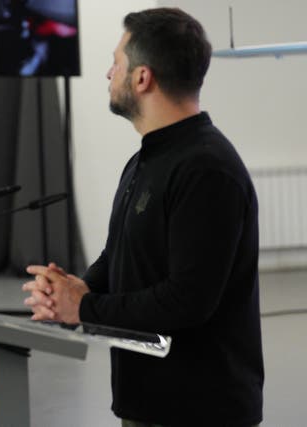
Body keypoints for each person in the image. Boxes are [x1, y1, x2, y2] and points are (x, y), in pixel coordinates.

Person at [22, 8, 263, 427]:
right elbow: (123, 254)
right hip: (151, 402)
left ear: (142, 77)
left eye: (116, 62)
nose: (108, 73)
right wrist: (79, 287)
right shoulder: (146, 159)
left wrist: (85, 307)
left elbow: (187, 301)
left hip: (199, 410)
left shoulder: (207, 170)